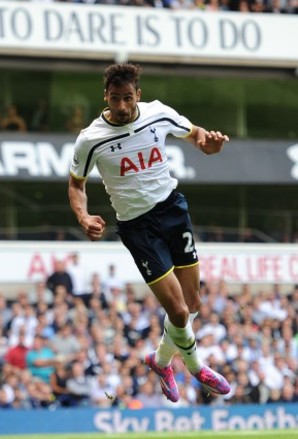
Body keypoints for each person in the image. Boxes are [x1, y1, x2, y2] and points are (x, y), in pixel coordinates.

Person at [67, 63, 231, 404]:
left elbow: (195, 133)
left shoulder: (158, 114)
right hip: (137, 227)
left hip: (172, 210)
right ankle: (198, 368)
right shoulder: (91, 139)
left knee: (194, 302)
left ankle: (159, 362)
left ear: (138, 95)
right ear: (106, 98)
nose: (123, 106)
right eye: (115, 99)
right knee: (180, 312)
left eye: (128, 98)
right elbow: (76, 183)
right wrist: (83, 215)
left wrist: (207, 145)